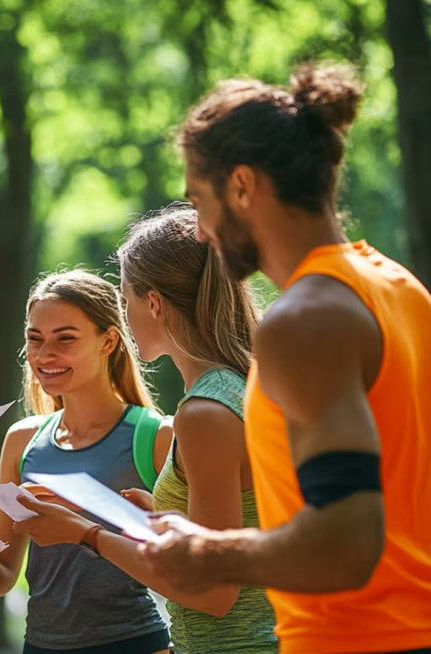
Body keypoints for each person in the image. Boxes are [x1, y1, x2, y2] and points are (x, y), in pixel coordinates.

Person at [137, 64, 431, 654]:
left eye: (199, 201)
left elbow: (347, 542)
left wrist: (210, 552)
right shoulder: (399, 287)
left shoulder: (303, 321)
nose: (201, 232)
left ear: (242, 186)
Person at [13, 206, 277, 654]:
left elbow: (213, 592)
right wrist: (159, 518)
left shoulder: (205, 411)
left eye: (126, 299)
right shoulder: (239, 386)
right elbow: (240, 534)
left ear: (153, 303)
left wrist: (87, 533)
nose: (125, 314)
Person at [0, 270, 172, 654]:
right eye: (35, 339)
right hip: (40, 645)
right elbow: (1, 579)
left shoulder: (155, 436)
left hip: (135, 642)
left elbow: (186, 570)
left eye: (65, 339)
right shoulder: (22, 440)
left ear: (108, 341)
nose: (44, 355)